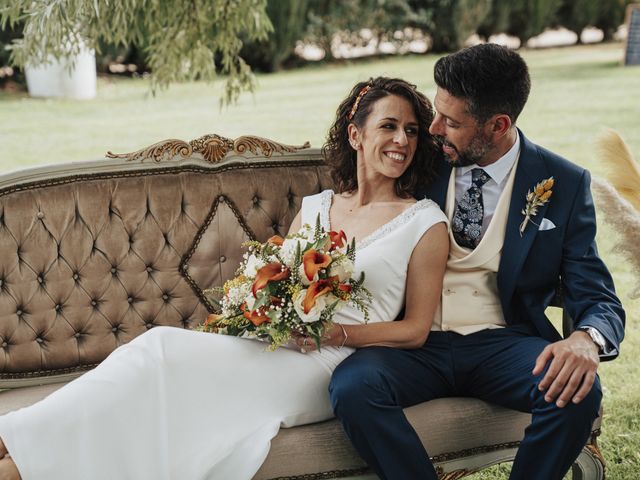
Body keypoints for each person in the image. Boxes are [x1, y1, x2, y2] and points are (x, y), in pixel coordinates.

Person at [0, 77, 449, 480]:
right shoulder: (316, 207)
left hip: (331, 363)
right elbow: (277, 279)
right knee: (156, 355)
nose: (402, 140)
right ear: (356, 134)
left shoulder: (423, 222)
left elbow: (415, 330)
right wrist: (256, 310)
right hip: (273, 343)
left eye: (411, 131)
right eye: (389, 126)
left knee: (160, 352)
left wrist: (338, 333)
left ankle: (18, 457)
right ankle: (17, 452)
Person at [329, 44, 626, 480]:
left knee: (577, 391)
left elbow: (597, 293)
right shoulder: (421, 158)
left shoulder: (563, 182)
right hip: (415, 342)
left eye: (451, 122)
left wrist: (587, 338)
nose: (432, 128)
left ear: (498, 125)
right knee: (354, 387)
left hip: (502, 341)